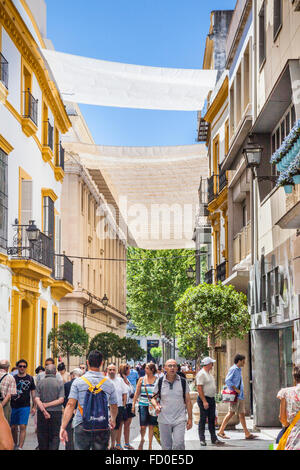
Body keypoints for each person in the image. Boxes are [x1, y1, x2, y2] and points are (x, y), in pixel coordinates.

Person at [59, 350, 118, 451]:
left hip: (81, 424)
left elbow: (70, 404)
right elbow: (114, 405)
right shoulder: (109, 383)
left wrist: (63, 427)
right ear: (102, 363)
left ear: (87, 362)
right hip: (102, 424)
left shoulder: (78, 382)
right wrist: (113, 419)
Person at [151, 359, 192, 451]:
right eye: (169, 366)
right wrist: (156, 406)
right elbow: (153, 397)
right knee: (166, 447)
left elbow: (188, 401)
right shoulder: (160, 381)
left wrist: (190, 418)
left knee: (179, 444)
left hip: (179, 419)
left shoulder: (183, 382)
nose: (172, 368)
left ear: (177, 368)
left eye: (174, 366)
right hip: (164, 419)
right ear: (165, 368)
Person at [218, 354, 257, 440]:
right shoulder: (234, 369)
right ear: (239, 361)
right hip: (235, 395)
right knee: (231, 412)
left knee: (242, 414)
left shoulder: (238, 369)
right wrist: (236, 389)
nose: (244, 363)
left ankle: (247, 433)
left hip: (240, 396)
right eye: (243, 361)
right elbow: (227, 380)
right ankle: (221, 431)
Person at [35, 364, 65, 450]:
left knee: (42, 435)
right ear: (55, 372)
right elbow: (61, 400)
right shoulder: (60, 383)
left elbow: (37, 399)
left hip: (41, 413)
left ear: (45, 372)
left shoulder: (40, 383)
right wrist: (48, 405)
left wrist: (44, 409)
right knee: (55, 435)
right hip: (56, 412)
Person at [196, 357, 224, 446]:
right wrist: (204, 401)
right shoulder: (201, 374)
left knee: (212, 419)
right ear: (208, 364)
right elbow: (199, 388)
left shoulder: (209, 374)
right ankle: (202, 439)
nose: (212, 365)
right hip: (204, 399)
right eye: (212, 363)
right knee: (203, 419)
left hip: (211, 399)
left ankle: (214, 438)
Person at [11, 359, 36, 450]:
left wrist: (34, 406)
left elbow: (33, 393)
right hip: (13, 405)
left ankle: (20, 447)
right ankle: (15, 444)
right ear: (17, 367)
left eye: (24, 366)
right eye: (20, 366)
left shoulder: (30, 378)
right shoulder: (13, 378)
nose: (22, 368)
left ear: (26, 367)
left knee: (22, 426)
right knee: (13, 427)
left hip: (25, 406)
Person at [132, 362, 158, 450]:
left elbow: (159, 393)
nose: (144, 369)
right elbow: (137, 392)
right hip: (142, 404)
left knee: (151, 426)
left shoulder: (157, 380)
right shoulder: (141, 379)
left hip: (153, 406)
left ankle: (150, 445)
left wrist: (155, 404)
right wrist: (133, 404)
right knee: (142, 426)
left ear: (152, 370)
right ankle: (142, 439)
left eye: (147, 368)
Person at [276, 366, 300, 450]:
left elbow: (282, 418)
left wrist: (291, 426)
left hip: (293, 437)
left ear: (294, 378)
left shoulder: (285, 392)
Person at [107, 363, 128, 450]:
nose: (112, 371)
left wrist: (123, 405)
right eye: (110, 369)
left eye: (113, 370)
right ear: (107, 370)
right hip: (107, 407)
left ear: (116, 371)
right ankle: (107, 445)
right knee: (107, 426)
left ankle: (113, 445)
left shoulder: (120, 380)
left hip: (118, 407)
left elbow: (125, 393)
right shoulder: (104, 380)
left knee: (116, 427)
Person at [63, 368, 83, 450]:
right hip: (80, 412)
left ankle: (69, 447)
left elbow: (64, 399)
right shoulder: (84, 384)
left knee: (68, 432)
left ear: (72, 375)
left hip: (69, 411)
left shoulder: (66, 385)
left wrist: (66, 408)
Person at [119, 364, 136, 450]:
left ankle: (126, 443)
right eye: (129, 369)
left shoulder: (127, 379)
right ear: (125, 370)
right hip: (123, 404)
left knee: (127, 425)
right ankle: (118, 444)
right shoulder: (120, 380)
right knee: (120, 425)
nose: (130, 371)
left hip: (129, 404)